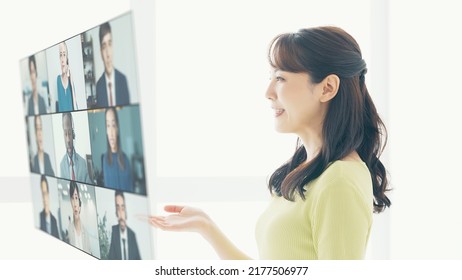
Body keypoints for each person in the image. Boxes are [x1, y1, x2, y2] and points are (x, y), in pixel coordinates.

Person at [148, 26, 391, 260]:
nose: (268, 92)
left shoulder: (339, 180)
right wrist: (207, 227)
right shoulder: (308, 171)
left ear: (327, 88)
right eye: (270, 78)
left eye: (281, 78)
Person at [95, 21, 130, 108]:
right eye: (104, 46)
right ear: (101, 52)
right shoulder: (99, 86)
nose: (108, 54)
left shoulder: (123, 80)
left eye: (109, 44)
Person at [102, 107, 133, 192]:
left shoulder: (125, 160)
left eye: (113, 125)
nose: (111, 133)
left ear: (117, 128)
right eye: (108, 126)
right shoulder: (105, 159)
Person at [107, 191, 141, 260]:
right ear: (116, 212)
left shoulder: (132, 235)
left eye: (123, 208)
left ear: (126, 210)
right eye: (118, 209)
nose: (121, 214)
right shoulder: (113, 231)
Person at [59, 112, 91, 183]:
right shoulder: (62, 166)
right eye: (65, 134)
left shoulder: (83, 163)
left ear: (73, 135)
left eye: (70, 133)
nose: (68, 140)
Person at [67, 181, 92, 253]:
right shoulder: (69, 232)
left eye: (76, 198)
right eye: (72, 199)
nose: (75, 204)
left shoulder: (86, 234)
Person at [57, 41, 77, 112]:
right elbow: (60, 107)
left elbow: (75, 104)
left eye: (64, 55)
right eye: (60, 55)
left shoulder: (70, 76)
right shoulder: (58, 79)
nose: (62, 59)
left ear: (67, 58)